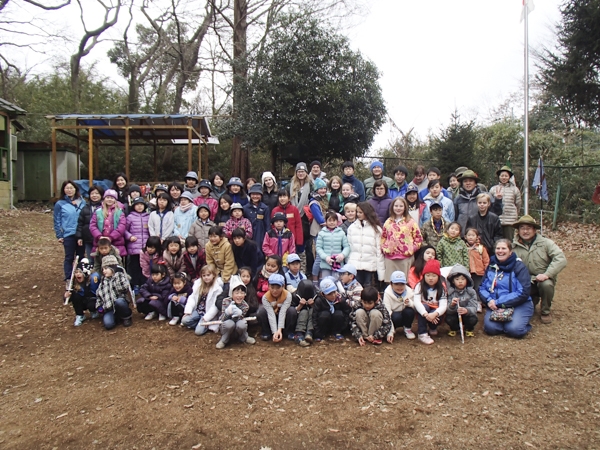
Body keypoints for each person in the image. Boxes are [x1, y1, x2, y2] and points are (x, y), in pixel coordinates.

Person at [512, 215, 567, 324]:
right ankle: (533, 299)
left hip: (543, 278)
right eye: (522, 228)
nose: (525, 231)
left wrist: (547, 274)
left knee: (546, 285)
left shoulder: (546, 243)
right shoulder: (513, 246)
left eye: (528, 228)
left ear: (534, 230)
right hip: (525, 281)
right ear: (518, 230)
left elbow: (561, 259)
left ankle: (545, 311)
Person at [480, 239, 534, 338]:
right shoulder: (492, 266)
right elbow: (482, 287)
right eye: (498, 248)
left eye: (504, 248)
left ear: (510, 252)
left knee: (514, 330)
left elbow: (523, 292)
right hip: (495, 304)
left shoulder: (519, 267)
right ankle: (506, 323)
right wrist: (489, 300)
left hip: (518, 303)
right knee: (491, 329)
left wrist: (498, 302)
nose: (500, 251)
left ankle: (516, 322)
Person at [381, 197, 423, 285]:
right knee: (390, 282)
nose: (398, 208)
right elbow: (383, 237)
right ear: (392, 207)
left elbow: (418, 238)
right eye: (396, 206)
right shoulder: (388, 222)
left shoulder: (411, 222)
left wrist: (412, 249)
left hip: (405, 258)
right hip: (390, 258)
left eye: (401, 206)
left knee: (405, 282)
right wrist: (384, 248)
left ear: (405, 207)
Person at [346, 202, 385, 287]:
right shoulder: (352, 228)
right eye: (357, 212)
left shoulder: (376, 229)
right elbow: (349, 247)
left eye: (361, 212)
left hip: (370, 265)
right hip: (355, 265)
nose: (358, 214)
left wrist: (381, 272)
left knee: (368, 289)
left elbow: (379, 251)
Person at [54, 180, 86, 281]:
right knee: (69, 257)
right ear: (64, 190)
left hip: (81, 234)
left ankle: (81, 276)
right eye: (67, 188)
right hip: (68, 234)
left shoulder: (82, 201)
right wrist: (59, 235)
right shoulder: (60, 204)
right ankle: (69, 278)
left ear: (75, 189)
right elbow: (57, 220)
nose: (69, 190)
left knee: (81, 256)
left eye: (71, 188)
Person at [454, 170, 500, 236]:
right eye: (465, 181)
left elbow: (496, 213)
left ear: (475, 183)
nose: (468, 183)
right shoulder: (458, 199)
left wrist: (498, 200)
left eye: (470, 181)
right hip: (462, 235)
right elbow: (455, 217)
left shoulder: (484, 197)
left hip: (480, 235)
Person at [182, 264, 224, 335]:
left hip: (207, 313)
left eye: (208, 275)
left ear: (213, 275)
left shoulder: (217, 288)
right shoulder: (198, 284)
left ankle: (204, 325)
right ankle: (200, 324)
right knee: (185, 320)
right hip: (198, 311)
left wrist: (207, 318)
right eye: (204, 276)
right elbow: (192, 298)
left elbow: (215, 306)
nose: (206, 277)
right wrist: (188, 311)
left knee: (198, 332)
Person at [413, 259, 447, 345]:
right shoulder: (419, 286)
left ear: (438, 276)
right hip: (424, 310)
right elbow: (416, 302)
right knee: (424, 307)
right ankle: (422, 333)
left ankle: (433, 327)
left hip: (435, 311)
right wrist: (425, 314)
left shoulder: (441, 288)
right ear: (424, 276)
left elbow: (443, 305)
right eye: (428, 275)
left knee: (438, 313)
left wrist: (435, 314)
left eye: (433, 276)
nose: (430, 278)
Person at [216, 275, 256, 349]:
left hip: (237, 326)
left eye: (242, 293)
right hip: (227, 326)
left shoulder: (245, 305)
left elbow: (240, 319)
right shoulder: (226, 301)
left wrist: (239, 314)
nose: (239, 295)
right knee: (229, 323)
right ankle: (224, 339)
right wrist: (227, 312)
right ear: (232, 293)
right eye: (237, 293)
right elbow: (222, 319)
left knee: (242, 324)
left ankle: (244, 337)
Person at [95, 255, 133, 330]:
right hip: (109, 308)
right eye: (103, 269)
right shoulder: (103, 281)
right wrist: (99, 306)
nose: (104, 271)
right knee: (108, 325)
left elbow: (124, 288)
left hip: (119, 302)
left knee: (119, 302)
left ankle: (126, 316)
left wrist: (116, 278)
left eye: (106, 268)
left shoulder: (120, 276)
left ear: (112, 268)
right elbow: (99, 294)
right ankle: (116, 317)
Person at [89, 189, 127, 258]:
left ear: (115, 200)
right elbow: (92, 226)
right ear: (104, 198)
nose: (109, 200)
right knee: (100, 264)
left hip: (116, 242)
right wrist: (99, 236)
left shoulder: (120, 212)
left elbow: (122, 226)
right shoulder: (98, 211)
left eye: (112, 198)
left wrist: (111, 237)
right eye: (108, 197)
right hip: (101, 242)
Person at [257, 273, 295, 342]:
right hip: (271, 317)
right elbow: (270, 313)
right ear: (268, 286)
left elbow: (283, 311)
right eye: (272, 287)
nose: (275, 290)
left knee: (292, 311)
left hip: (283, 317)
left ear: (283, 286)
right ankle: (266, 332)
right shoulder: (265, 298)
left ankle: (288, 332)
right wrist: (275, 332)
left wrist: (279, 330)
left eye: (278, 288)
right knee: (261, 311)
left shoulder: (288, 295)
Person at [312, 277, 351, 341]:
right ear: (322, 294)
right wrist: (317, 332)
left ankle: (337, 332)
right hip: (324, 324)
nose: (333, 295)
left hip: (337, 324)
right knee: (324, 314)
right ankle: (322, 334)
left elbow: (346, 313)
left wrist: (343, 328)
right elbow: (315, 317)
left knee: (339, 314)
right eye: (329, 294)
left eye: (334, 292)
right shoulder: (319, 301)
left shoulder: (341, 300)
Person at [489, 166, 522, 241]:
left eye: (506, 176)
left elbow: (518, 204)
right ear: (499, 177)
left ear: (509, 177)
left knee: (509, 241)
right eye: (502, 175)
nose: (504, 177)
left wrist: (515, 214)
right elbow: (490, 204)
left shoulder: (515, 190)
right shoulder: (493, 189)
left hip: (510, 221)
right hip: (497, 220)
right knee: (497, 240)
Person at [445, 264, 478, 337]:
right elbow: (447, 309)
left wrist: (467, 310)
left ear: (467, 280)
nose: (460, 282)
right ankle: (454, 328)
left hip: (467, 315)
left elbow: (474, 307)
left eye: (463, 279)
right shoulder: (450, 292)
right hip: (455, 314)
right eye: (457, 279)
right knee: (449, 318)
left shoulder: (471, 292)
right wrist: (452, 305)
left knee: (473, 319)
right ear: (453, 281)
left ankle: (469, 328)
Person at [316, 211, 350, 279]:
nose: (332, 222)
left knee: (337, 281)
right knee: (326, 282)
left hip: (338, 263)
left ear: (337, 221)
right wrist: (326, 257)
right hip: (325, 263)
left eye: (334, 220)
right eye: (329, 220)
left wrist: (342, 255)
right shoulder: (321, 233)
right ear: (326, 221)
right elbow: (319, 248)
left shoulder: (341, 233)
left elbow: (346, 247)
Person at [64, 259, 98, 327]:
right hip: (81, 302)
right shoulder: (73, 283)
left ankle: (93, 311)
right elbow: (68, 299)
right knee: (75, 295)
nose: (78, 274)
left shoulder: (91, 281)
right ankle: (80, 315)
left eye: (80, 272)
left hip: (91, 300)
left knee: (92, 304)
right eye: (76, 272)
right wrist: (66, 296)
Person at [125, 197, 150, 290]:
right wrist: (129, 236)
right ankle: (135, 285)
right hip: (134, 247)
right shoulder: (130, 217)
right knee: (134, 267)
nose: (139, 207)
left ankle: (144, 284)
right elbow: (125, 230)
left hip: (145, 248)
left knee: (144, 267)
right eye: (137, 205)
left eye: (141, 205)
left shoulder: (148, 216)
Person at [383, 271, 416, 340]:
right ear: (391, 284)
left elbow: (416, 306)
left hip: (405, 314)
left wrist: (409, 303)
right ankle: (392, 328)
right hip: (394, 317)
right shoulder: (387, 293)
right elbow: (387, 313)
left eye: (402, 284)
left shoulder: (410, 292)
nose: (400, 287)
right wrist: (390, 332)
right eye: (396, 284)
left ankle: (407, 328)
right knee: (396, 316)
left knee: (409, 311)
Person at [76, 184, 104, 263]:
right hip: (88, 238)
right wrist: (79, 237)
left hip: (101, 238)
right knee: (91, 259)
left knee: (102, 260)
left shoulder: (105, 207)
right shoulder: (85, 208)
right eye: (92, 193)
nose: (94, 195)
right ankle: (93, 275)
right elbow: (80, 223)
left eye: (97, 193)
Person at [271, 189, 303, 256]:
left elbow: (298, 225)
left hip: (292, 240)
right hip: (279, 240)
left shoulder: (294, 209)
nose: (282, 199)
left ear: (289, 198)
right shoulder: (275, 210)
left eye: (284, 196)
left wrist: (299, 241)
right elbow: (273, 226)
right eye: (280, 197)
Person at [465, 227, 490, 312]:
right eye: (469, 235)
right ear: (465, 237)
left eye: (473, 235)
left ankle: (479, 303)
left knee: (478, 288)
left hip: (479, 272)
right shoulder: (464, 248)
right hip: (468, 272)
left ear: (477, 237)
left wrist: (487, 271)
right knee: (469, 288)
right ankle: (470, 303)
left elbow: (486, 261)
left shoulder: (481, 248)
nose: (471, 237)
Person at [244, 183, 271, 251]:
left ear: (261, 195)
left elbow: (267, 225)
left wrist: (268, 237)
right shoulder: (245, 208)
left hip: (261, 236)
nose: (255, 196)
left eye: (257, 194)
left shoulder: (265, 208)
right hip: (249, 236)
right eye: (253, 194)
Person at [290, 279, 316, 346]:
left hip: (311, 319)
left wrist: (313, 305)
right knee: (304, 312)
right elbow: (291, 311)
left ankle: (309, 332)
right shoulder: (294, 296)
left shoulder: (316, 296)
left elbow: (318, 310)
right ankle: (299, 333)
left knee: (312, 311)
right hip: (299, 317)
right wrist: (300, 306)